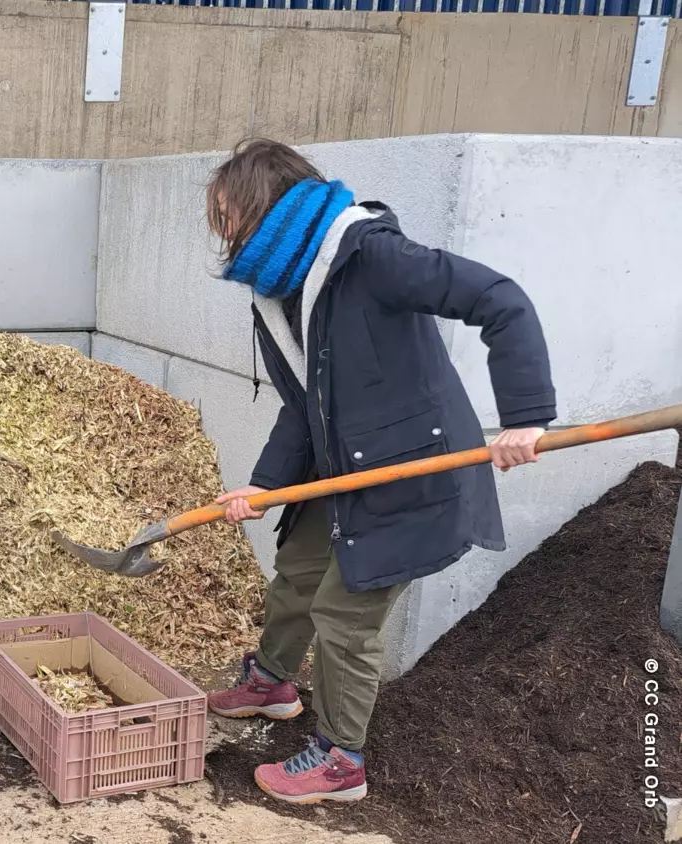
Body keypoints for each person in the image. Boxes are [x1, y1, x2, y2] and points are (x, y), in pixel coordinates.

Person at [201, 139, 555, 805]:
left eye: (228, 213)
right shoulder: (277, 290)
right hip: (344, 472)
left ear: (265, 205)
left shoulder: (371, 256)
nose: (222, 230)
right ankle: (272, 682)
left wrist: (527, 415)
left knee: (344, 613)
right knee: (300, 570)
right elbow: (304, 404)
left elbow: (501, 300)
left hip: (414, 474)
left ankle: (341, 761)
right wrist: (266, 485)